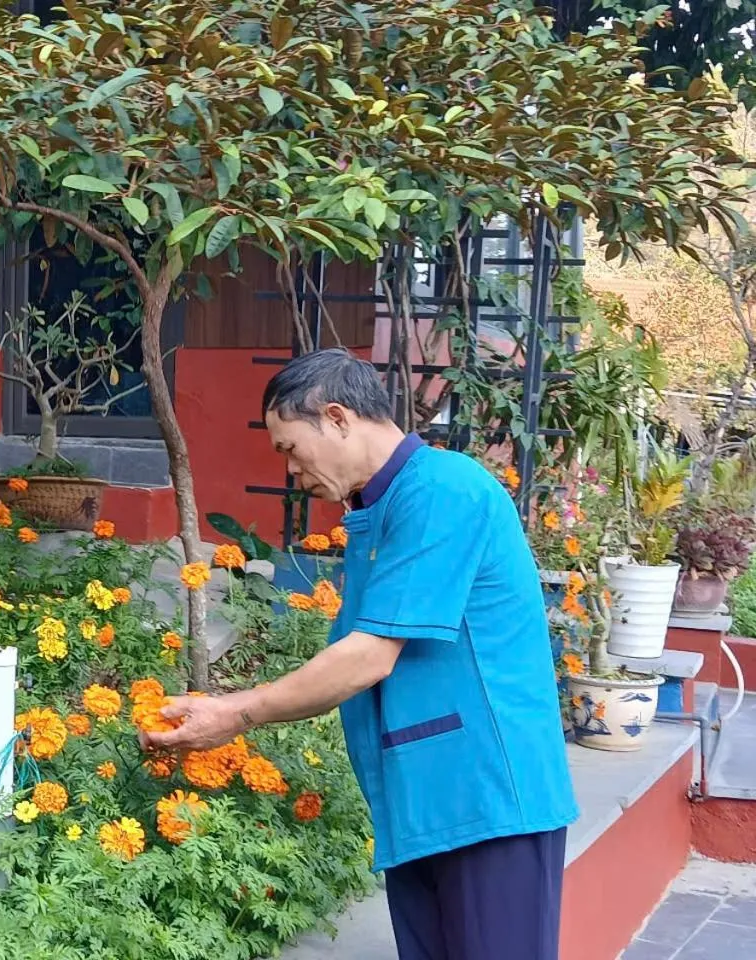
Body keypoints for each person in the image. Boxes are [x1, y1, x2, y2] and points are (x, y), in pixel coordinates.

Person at [141, 348, 578, 960]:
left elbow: (368, 657)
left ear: (339, 418)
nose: (291, 470)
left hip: (485, 800)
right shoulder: (384, 508)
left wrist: (235, 714)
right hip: (427, 801)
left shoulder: (445, 490)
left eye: (290, 449)